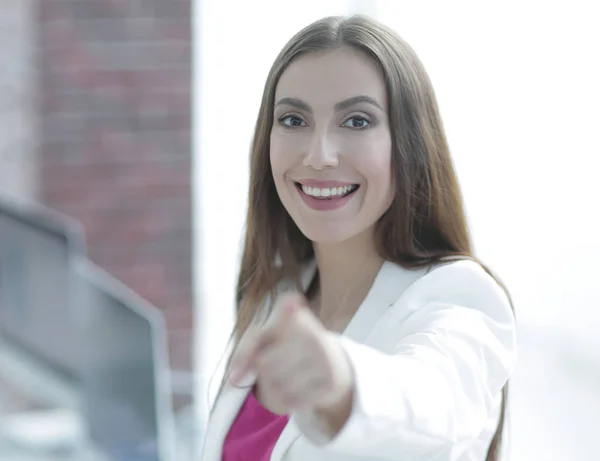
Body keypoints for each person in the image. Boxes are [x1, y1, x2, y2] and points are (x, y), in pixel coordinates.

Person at [200, 14, 517, 461]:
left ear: (408, 143)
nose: (319, 156)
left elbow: (437, 405)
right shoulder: (281, 291)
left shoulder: (459, 298)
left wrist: (344, 383)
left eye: (356, 121)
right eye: (293, 119)